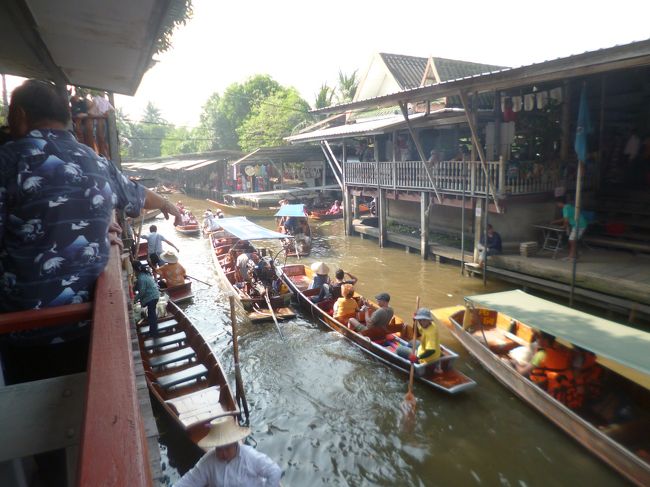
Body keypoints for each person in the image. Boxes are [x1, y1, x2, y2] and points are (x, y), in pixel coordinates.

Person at [0, 79, 181, 315]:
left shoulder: (9, 159)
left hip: (22, 328)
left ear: (19, 115)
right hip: (92, 317)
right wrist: (167, 204)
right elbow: (139, 196)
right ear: (66, 120)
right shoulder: (96, 160)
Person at [175, 417, 282, 487]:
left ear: (234, 443)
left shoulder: (250, 456)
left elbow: (274, 471)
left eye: (227, 448)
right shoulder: (208, 461)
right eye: (219, 449)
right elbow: (190, 480)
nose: (223, 453)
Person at [133, 262, 161, 337]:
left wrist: (135, 299)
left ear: (135, 270)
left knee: (151, 315)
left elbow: (142, 292)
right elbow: (138, 287)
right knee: (152, 314)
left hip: (151, 297)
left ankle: (154, 333)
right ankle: (153, 330)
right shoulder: (146, 274)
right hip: (155, 295)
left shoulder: (141, 278)